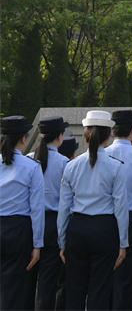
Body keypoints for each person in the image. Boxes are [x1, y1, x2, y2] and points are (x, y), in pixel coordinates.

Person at [57, 110, 128, 311]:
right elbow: (120, 207)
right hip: (104, 230)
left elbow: (64, 207)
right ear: (109, 134)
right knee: (100, 290)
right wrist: (123, 243)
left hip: (77, 227)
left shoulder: (72, 166)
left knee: (75, 290)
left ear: (86, 133)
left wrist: (62, 239)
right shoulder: (116, 167)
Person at [0, 114, 44, 311]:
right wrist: (37, 244)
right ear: (24, 138)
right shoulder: (32, 167)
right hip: (19, 229)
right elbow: (36, 208)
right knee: (17, 286)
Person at [105, 109, 132, 311]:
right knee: (128, 279)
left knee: (104, 277)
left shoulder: (101, 155)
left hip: (105, 218)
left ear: (113, 131)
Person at [29, 115, 68, 311]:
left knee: (26, 282)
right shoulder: (64, 163)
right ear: (60, 136)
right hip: (53, 225)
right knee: (47, 284)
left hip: (29, 224)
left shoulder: (28, 160)